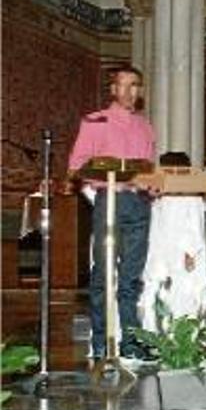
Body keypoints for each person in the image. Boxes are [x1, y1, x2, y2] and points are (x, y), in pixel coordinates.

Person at [67, 66, 155, 360]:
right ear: (113, 90)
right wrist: (115, 175)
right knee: (104, 274)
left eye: (136, 86)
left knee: (132, 278)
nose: (131, 92)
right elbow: (77, 166)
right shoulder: (95, 122)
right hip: (110, 201)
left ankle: (131, 341)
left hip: (138, 205)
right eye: (125, 86)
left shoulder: (145, 127)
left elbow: (147, 170)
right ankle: (101, 340)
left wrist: (152, 186)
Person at [139, 152, 206, 332]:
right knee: (155, 292)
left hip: (183, 254)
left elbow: (195, 226)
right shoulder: (158, 196)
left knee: (185, 294)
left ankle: (183, 337)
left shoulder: (191, 196)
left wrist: (191, 252)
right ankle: (154, 335)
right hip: (159, 252)